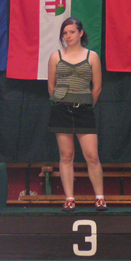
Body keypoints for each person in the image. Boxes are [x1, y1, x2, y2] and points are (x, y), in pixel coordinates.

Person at [47, 17, 107, 212]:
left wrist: (85, 104)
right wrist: (62, 101)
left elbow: (97, 87)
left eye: (72, 32)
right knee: (66, 156)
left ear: (80, 33)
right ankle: (69, 199)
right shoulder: (56, 56)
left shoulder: (92, 56)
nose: (68, 36)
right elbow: (51, 86)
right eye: (65, 33)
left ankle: (99, 198)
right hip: (61, 110)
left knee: (92, 155)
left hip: (84, 111)